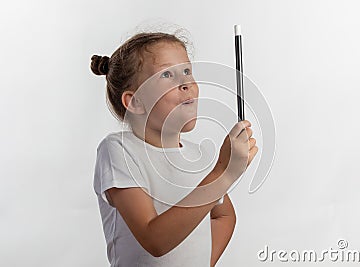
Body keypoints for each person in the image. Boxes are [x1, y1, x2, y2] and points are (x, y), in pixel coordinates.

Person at [90, 30, 258, 267]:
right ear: (135, 101)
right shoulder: (118, 150)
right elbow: (154, 240)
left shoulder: (196, 156)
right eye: (168, 74)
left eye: (187, 71)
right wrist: (225, 172)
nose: (187, 83)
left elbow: (223, 215)